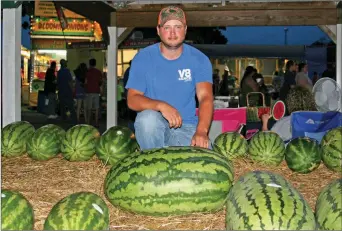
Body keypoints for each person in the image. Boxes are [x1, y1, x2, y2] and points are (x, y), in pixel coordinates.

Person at [126, 5, 213, 150]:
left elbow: (205, 98)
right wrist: (161, 106)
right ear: (158, 30)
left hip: (187, 129)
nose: (172, 33)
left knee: (207, 164)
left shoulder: (199, 59)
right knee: (147, 119)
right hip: (155, 128)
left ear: (185, 29)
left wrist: (201, 131)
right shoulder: (143, 58)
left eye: (177, 26)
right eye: (167, 27)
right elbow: (132, 99)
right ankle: (152, 164)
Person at [57, 59, 77, 124]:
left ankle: (63, 119)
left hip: (61, 92)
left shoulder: (59, 72)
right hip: (67, 92)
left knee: (62, 107)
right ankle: (74, 120)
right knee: (71, 107)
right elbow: (70, 82)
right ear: (65, 64)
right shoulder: (67, 71)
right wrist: (73, 89)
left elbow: (58, 82)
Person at [84, 58, 103, 127]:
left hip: (89, 92)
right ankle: (96, 123)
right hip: (96, 91)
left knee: (89, 108)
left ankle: (89, 123)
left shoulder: (87, 72)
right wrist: (101, 90)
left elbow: (85, 82)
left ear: (89, 64)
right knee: (96, 108)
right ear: (95, 63)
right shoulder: (98, 72)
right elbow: (100, 82)